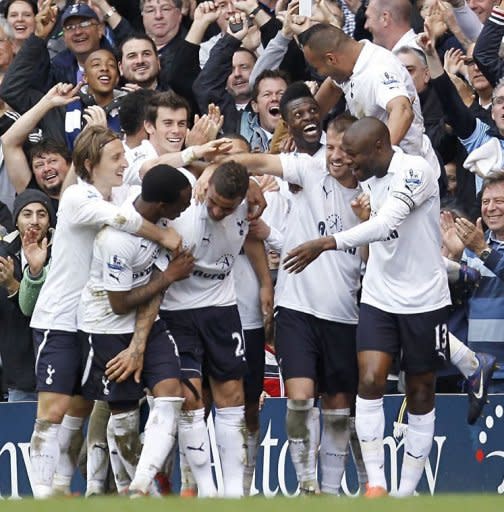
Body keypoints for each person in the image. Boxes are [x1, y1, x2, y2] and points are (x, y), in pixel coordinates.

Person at [283, 117, 451, 497]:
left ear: (378, 148)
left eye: (354, 156)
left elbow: (389, 223)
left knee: (421, 390)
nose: (348, 164)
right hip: (378, 295)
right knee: (371, 380)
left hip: (424, 298)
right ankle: (376, 484)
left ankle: (405, 493)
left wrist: (327, 242)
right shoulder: (370, 178)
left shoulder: (415, 170)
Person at [27, 124, 182, 498]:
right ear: (88, 163)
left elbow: (153, 172)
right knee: (53, 411)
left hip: (88, 321)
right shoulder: (77, 197)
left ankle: (63, 488)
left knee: (79, 409)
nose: (123, 162)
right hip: (58, 319)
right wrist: (163, 236)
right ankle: (44, 497)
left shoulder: (118, 191)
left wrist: (194, 153)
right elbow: (122, 220)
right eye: (115, 157)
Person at [79, 165, 194, 495]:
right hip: (107, 330)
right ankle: (137, 492)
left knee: (171, 393)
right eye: (181, 204)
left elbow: (153, 288)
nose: (184, 210)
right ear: (161, 205)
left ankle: (142, 485)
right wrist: (170, 276)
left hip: (148, 325)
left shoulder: (156, 220)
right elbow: (120, 302)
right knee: (125, 424)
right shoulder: (116, 240)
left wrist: (139, 346)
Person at [156, 162, 258, 497]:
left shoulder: (251, 201)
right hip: (177, 311)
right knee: (190, 401)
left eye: (225, 207)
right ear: (207, 186)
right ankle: (206, 490)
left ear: (240, 200)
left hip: (222, 310)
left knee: (233, 399)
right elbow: (153, 166)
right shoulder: (185, 200)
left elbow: (245, 161)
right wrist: (205, 169)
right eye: (212, 200)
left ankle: (233, 494)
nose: (215, 209)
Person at [300, 22, 440, 176]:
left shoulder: (378, 70)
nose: (321, 74)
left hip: (409, 172)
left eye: (318, 68)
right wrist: (300, 129)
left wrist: (378, 158)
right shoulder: (351, 61)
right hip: (378, 172)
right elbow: (332, 88)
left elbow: (403, 111)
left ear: (331, 59)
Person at [441, 172, 503, 397]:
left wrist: (483, 250)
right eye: (486, 202)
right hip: (478, 373)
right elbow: (451, 301)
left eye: (499, 201)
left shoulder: (477, 247)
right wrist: (455, 256)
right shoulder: (472, 248)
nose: (491, 208)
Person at [0, 189, 54, 402]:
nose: (34, 221)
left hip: (58, 371)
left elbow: (43, 308)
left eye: (42, 214)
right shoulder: (3, 255)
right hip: (19, 373)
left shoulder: (62, 252)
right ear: (16, 221)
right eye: (27, 214)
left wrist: (13, 285)